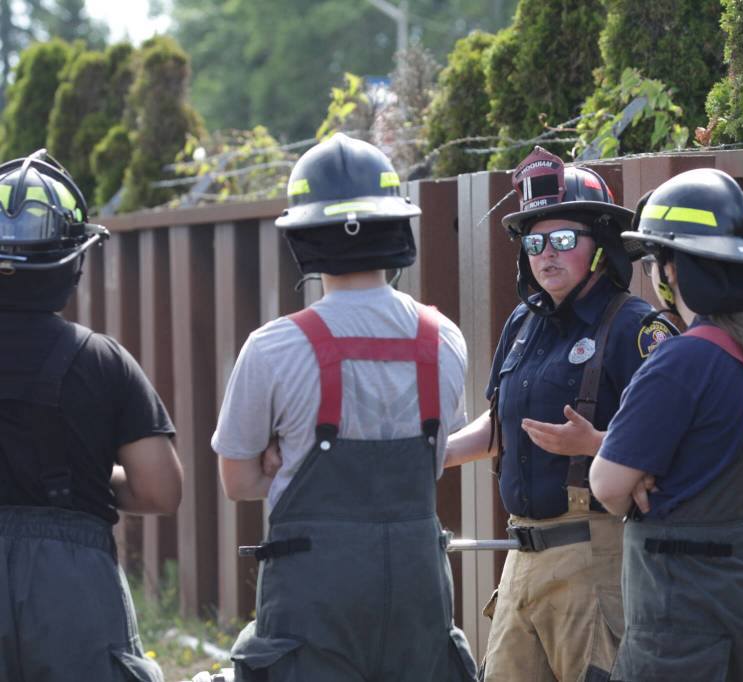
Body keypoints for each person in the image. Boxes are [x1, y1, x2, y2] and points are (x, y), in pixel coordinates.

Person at [213, 133, 476, 681]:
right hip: (416, 597)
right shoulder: (444, 339)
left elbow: (238, 482)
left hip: (313, 604)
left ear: (303, 238)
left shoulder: (271, 348)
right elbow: (436, 453)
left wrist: (281, 462)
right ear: (397, 227)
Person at [445, 146, 675, 682]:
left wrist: (595, 443)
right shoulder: (521, 325)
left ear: (601, 246)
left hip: (596, 562)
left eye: (564, 239)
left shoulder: (634, 328)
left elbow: (680, 441)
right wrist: (434, 455)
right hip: (521, 560)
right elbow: (502, 427)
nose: (546, 254)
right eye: (534, 242)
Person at [589, 168, 743, 682]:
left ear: (673, 270)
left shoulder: (680, 362)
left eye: (656, 258)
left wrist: (642, 474)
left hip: (683, 618)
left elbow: (609, 486)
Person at [0, 150, 182, 682]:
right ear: (72, 260)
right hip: (71, 596)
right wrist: (82, 474)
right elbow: (159, 490)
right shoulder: (101, 360)